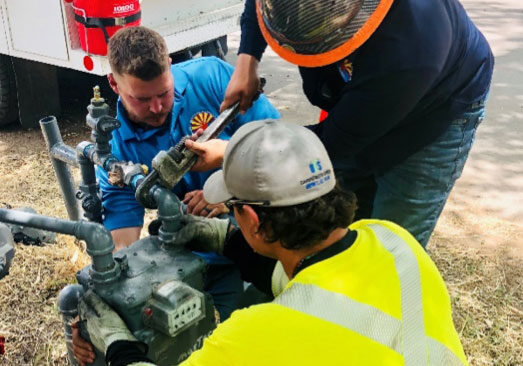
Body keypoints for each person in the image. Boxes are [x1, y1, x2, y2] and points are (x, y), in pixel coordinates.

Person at [73, 120, 469, 366]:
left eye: (232, 211)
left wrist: (118, 344)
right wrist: (218, 236)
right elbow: (318, 288)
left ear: (253, 218)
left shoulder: (253, 337)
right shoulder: (393, 240)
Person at [221, 0, 494, 247]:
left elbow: (336, 140)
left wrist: (237, 154)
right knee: (341, 220)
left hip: (435, 110)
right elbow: (265, 6)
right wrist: (247, 63)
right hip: (371, 96)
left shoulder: (411, 43)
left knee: (391, 243)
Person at [98, 26, 280, 319]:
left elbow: (278, 140)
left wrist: (229, 191)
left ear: (170, 65)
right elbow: (122, 224)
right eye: (141, 100)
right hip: (188, 257)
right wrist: (127, 279)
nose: (157, 108)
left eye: (164, 93)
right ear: (114, 84)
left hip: (260, 240)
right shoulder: (116, 145)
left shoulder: (212, 77)